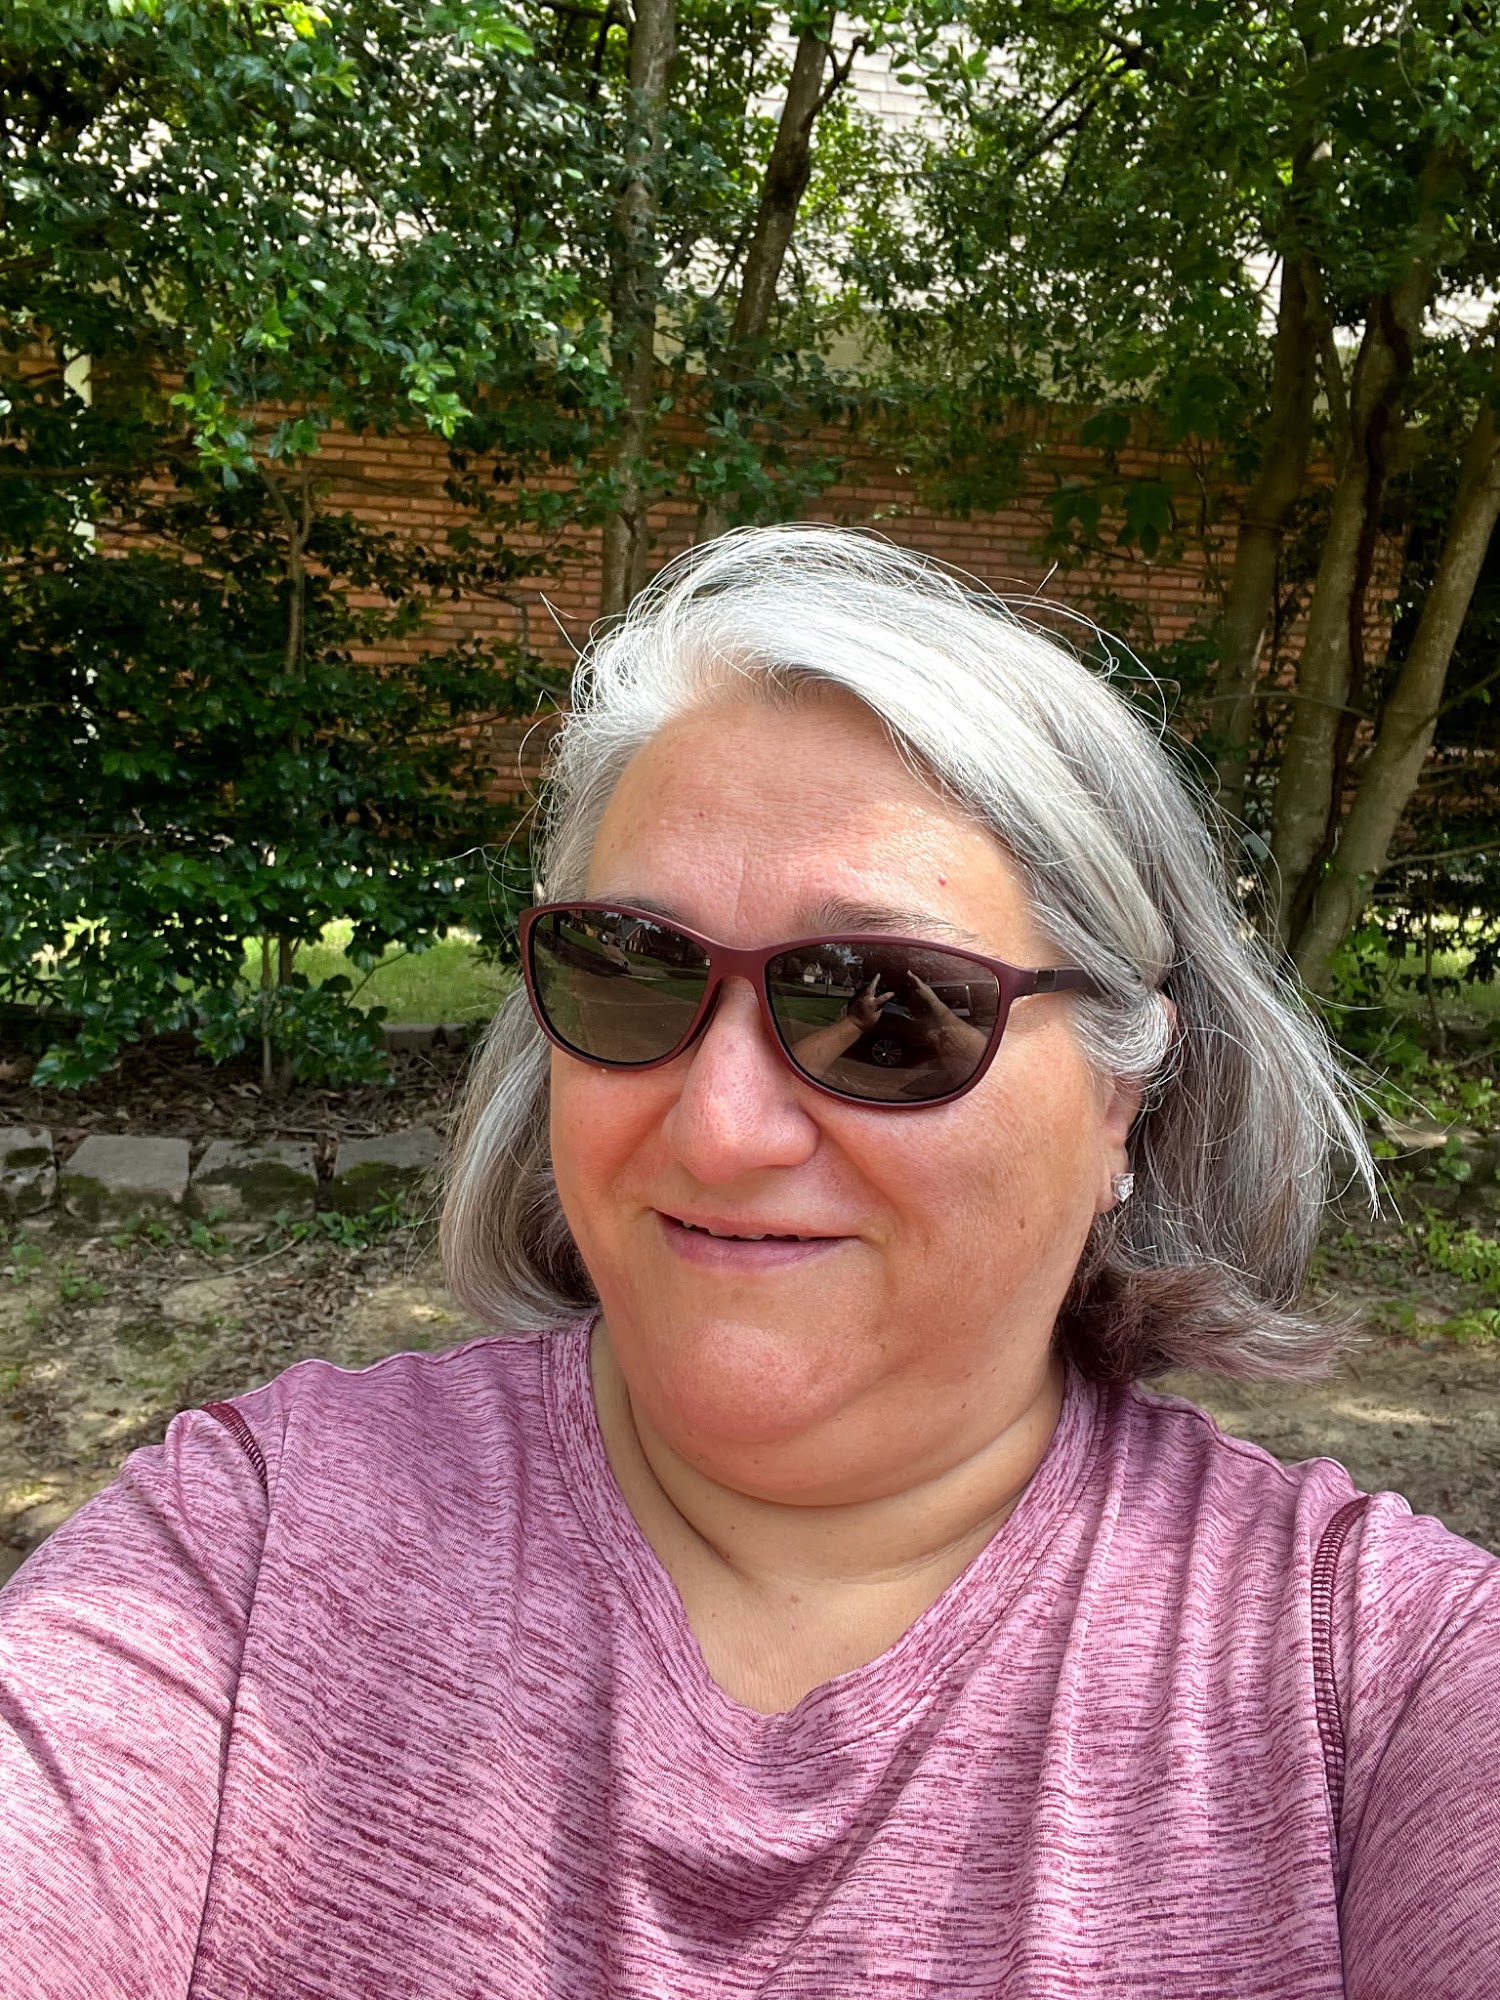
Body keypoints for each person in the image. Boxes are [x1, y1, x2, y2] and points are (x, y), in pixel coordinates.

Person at [2, 526, 1497, 1999]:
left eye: (890, 1009)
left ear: (1126, 1091)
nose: (718, 1131)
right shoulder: (245, 1554)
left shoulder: (1382, 1690)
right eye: (634, 971)